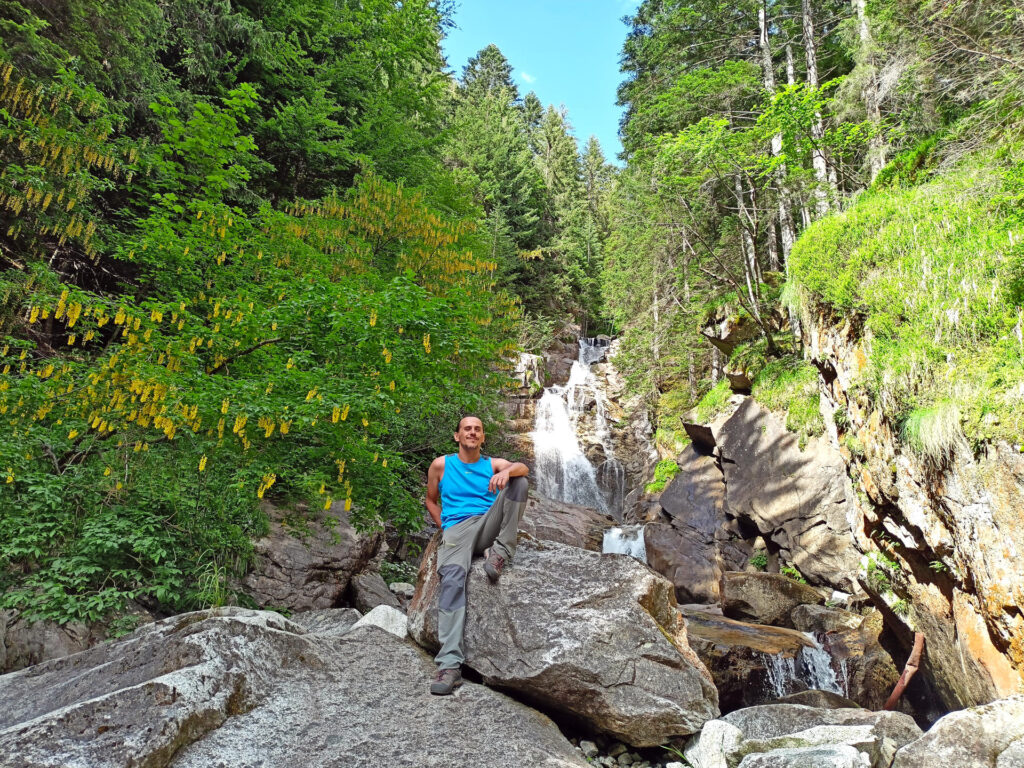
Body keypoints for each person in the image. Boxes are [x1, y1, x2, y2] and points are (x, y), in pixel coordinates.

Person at [424, 415, 529, 695]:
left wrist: (508, 472)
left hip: (486, 523)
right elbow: (430, 500)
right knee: (452, 579)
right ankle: (449, 665)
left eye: (477, 430)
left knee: (520, 482)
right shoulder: (441, 465)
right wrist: (443, 526)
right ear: (457, 436)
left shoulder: (492, 464)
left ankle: (501, 550)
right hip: (457, 529)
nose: (472, 432)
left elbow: (523, 467)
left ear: (483, 438)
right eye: (467, 429)